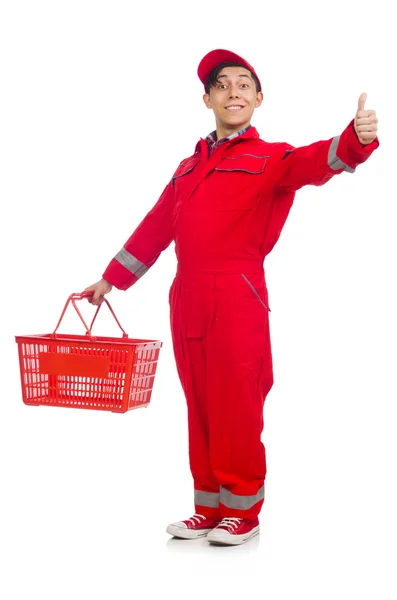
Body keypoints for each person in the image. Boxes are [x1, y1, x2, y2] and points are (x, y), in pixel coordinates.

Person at [86, 49, 379, 546]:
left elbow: (317, 161)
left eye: (245, 84)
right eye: (223, 85)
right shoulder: (186, 169)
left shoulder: (270, 158)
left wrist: (356, 140)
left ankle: (243, 511)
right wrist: (110, 279)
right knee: (199, 404)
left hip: (237, 296)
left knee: (237, 405)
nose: (234, 91)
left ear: (259, 98)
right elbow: (155, 228)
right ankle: (208, 506)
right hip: (188, 298)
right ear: (208, 99)